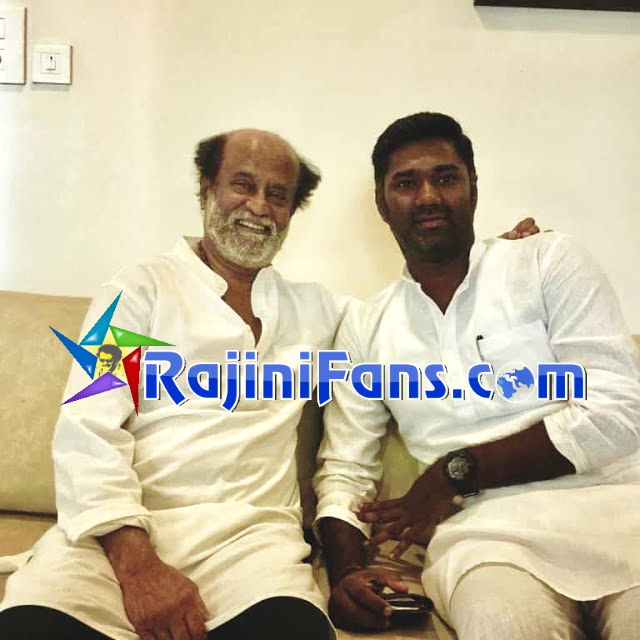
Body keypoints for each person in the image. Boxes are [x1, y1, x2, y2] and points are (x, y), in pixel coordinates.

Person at [0, 125, 535, 640]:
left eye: (278, 195)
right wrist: (138, 568)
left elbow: (402, 316)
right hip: (118, 540)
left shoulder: (313, 310)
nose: (259, 206)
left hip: (251, 547)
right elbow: (88, 432)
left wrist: (491, 267)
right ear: (206, 189)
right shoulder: (139, 290)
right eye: (243, 184)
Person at [314, 112, 640, 640]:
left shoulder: (546, 262)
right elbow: (345, 469)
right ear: (381, 203)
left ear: (473, 187)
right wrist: (347, 571)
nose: (428, 197)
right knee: (505, 626)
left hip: (619, 511)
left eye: (445, 177)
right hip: (486, 541)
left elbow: (617, 414)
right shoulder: (367, 326)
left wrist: (454, 472)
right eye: (406, 183)